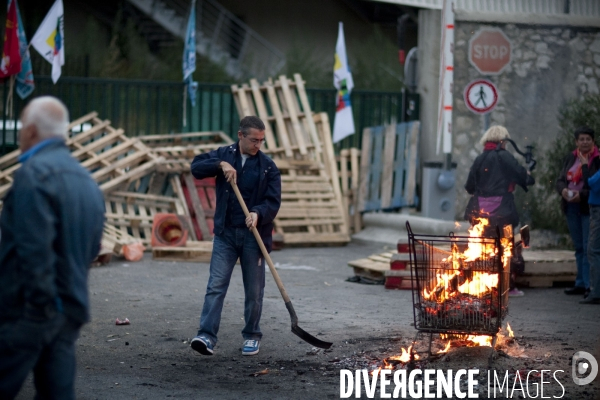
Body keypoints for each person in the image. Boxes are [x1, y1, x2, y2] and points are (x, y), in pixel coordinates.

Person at [0, 96, 105, 399]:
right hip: (69, 310)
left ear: (31, 131)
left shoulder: (32, 176)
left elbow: (34, 250)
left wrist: (38, 305)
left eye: (21, 129)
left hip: (28, 311)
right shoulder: (88, 182)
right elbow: (92, 247)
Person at [190, 116, 281, 356]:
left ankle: (252, 334)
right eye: (254, 140)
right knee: (216, 286)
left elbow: (273, 201)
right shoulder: (224, 154)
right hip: (225, 235)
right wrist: (219, 165)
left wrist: (258, 214)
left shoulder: (268, 166)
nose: (258, 145)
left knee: (254, 290)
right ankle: (206, 336)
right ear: (240, 136)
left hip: (254, 236)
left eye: (262, 140)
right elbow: (196, 167)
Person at [464, 125, 535, 297]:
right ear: (504, 141)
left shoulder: (480, 159)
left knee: (482, 249)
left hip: (479, 212)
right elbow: (524, 178)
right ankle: (507, 287)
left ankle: (483, 286)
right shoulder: (505, 156)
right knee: (505, 248)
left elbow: (469, 186)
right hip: (503, 211)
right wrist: (527, 175)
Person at [556, 126, 600, 299]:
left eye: (588, 139)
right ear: (576, 142)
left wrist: (580, 196)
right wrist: (564, 192)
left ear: (593, 141)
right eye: (581, 139)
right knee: (579, 247)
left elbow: (593, 185)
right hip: (570, 207)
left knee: (590, 246)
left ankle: (591, 286)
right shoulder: (571, 157)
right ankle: (580, 282)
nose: (584, 142)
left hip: (587, 206)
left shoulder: (596, 159)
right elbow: (560, 180)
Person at [583, 146, 600, 305]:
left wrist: (584, 164)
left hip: (597, 211)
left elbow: (590, 183)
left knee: (593, 250)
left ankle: (596, 292)